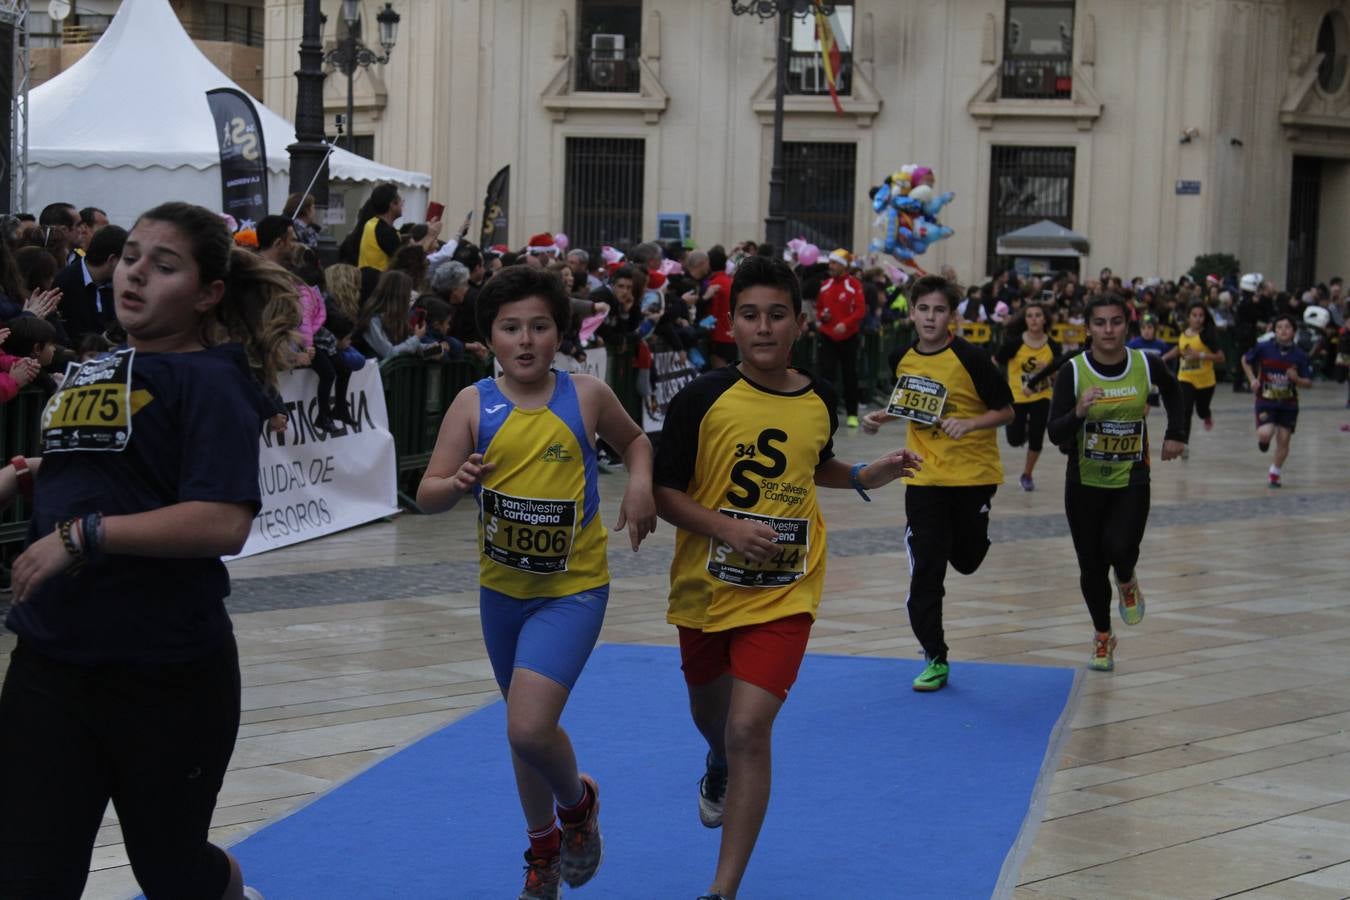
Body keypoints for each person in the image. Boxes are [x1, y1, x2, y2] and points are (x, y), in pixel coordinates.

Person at [0, 200, 291, 899]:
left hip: (167, 671)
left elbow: (223, 520)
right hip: (51, 660)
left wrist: (83, 537)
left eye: (164, 267)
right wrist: (27, 475)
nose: (135, 276)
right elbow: (111, 466)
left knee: (172, 869)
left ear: (208, 294)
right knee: (27, 875)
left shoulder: (215, 382)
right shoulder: (102, 366)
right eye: (131, 257)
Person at [654, 257, 920, 900]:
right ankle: (715, 762)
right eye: (750, 315)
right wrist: (725, 528)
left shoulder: (820, 396)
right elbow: (665, 493)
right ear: (730, 323)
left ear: (801, 323)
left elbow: (813, 464)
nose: (764, 327)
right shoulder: (701, 397)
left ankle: (722, 890)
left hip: (787, 587)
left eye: (777, 315)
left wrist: (861, 475)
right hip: (706, 587)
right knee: (714, 721)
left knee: (750, 729)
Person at [416, 266, 656, 900]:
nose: (525, 341)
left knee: (527, 727)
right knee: (524, 733)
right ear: (489, 337)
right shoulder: (474, 404)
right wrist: (457, 482)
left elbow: (636, 444)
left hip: (572, 590)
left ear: (560, 333)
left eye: (540, 327)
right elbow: (428, 493)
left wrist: (637, 485)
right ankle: (544, 850)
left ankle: (577, 808)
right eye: (510, 328)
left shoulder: (587, 395)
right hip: (501, 594)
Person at [861, 274, 1013, 692]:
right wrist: (881, 417)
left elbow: (1006, 410)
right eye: (923, 309)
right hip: (923, 476)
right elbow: (913, 402)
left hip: (973, 477)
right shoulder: (901, 356)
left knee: (965, 559)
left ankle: (972, 540)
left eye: (939, 310)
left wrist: (970, 423)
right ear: (911, 313)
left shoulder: (971, 358)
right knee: (926, 570)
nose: (930, 318)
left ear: (952, 315)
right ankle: (935, 655)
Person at [1046, 293, 1185, 672]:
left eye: (1116, 322)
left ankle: (1126, 578)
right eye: (1100, 323)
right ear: (1088, 328)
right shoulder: (1074, 371)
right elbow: (1055, 433)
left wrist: (1176, 433)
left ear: (1128, 325)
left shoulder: (1146, 363)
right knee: (1091, 566)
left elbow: (1175, 392)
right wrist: (1078, 411)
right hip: (1084, 482)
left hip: (1132, 477)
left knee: (1120, 547)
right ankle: (1103, 636)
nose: (1109, 330)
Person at [994, 302, 1063, 491]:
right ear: (1025, 320)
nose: (1034, 319)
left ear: (1045, 319)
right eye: (1030, 315)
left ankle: (1027, 474)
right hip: (1018, 395)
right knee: (1014, 440)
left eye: (1038, 315)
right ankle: (1023, 427)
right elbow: (996, 360)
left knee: (1037, 436)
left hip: (1042, 396)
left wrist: (1048, 371)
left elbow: (1060, 375)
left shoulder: (1053, 346)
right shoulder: (1014, 343)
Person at [1242, 314, 1314, 488]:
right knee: (1265, 433)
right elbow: (1245, 360)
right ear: (1274, 330)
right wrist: (1252, 379)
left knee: (1284, 438)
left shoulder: (1300, 355)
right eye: (1279, 327)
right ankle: (1264, 442)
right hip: (1265, 400)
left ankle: (1275, 472)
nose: (1283, 330)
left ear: (1294, 332)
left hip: (1288, 404)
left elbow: (1309, 383)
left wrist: (1296, 379)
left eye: (1287, 327)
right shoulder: (1264, 348)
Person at [1162, 300, 1225, 454]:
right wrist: (1164, 358)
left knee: (1201, 410)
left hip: (1205, 381)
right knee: (1185, 410)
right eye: (1194, 315)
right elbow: (1179, 348)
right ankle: (1185, 444)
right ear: (1188, 317)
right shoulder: (1184, 332)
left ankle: (1207, 415)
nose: (1197, 318)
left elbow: (1221, 357)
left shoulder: (1207, 335)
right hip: (1186, 377)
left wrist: (1200, 355)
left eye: (1201, 315)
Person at [814, 249, 866, 427]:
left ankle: (852, 414)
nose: (830, 266)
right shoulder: (826, 285)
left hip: (849, 337)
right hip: (827, 337)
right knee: (826, 376)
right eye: (830, 263)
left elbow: (860, 310)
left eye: (834, 263)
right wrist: (823, 317)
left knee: (849, 375)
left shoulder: (854, 284)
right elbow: (819, 308)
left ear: (843, 265)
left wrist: (846, 323)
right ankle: (826, 412)